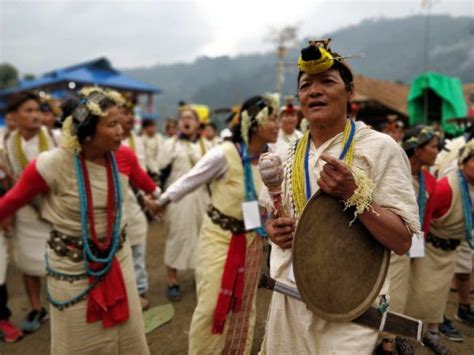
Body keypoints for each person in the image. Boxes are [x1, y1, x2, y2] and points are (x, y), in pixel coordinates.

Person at [260, 39, 419, 354]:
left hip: (352, 306)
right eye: (306, 85)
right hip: (291, 298)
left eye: (327, 82)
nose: (314, 90)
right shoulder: (285, 154)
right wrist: (273, 230)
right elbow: (272, 216)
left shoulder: (380, 148)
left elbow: (403, 241)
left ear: (350, 93)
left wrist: (353, 194)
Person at [0, 87, 160, 354]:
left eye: (120, 123)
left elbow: (148, 185)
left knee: (128, 338)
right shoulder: (51, 164)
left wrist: (157, 199)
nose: (121, 131)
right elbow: (9, 203)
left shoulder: (123, 156)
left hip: (117, 260)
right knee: (80, 342)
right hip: (72, 267)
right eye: (112, 125)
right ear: (86, 130)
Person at [156, 95, 279, 354]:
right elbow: (191, 179)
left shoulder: (273, 158)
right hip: (219, 236)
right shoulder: (225, 153)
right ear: (254, 124)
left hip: (252, 240)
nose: (278, 124)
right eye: (273, 118)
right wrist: (161, 201)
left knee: (245, 306)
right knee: (212, 303)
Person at [404, 140, 474, 355]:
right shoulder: (445, 186)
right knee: (416, 295)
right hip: (429, 249)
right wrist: (414, 251)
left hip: (451, 251)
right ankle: (403, 335)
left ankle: (432, 333)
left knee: (439, 296)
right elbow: (422, 216)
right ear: (464, 162)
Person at [378, 127, 439, 354]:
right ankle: (386, 341)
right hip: (390, 238)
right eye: (432, 146)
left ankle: (397, 336)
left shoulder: (428, 180)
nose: (436, 152)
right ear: (417, 149)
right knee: (391, 289)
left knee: (407, 292)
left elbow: (429, 214)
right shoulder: (394, 173)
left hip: (415, 241)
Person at [3, 92, 58, 333]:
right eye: (28, 111)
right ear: (13, 116)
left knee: (59, 262)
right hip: (25, 213)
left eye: (37, 110)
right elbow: (9, 181)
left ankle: (61, 307)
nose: (35, 115)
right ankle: (38, 308)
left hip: (54, 210)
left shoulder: (55, 137)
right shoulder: (8, 142)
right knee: (28, 264)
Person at [160, 107, 210, 301]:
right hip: (178, 201)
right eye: (182, 118)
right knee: (176, 237)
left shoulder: (207, 145)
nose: (186, 121)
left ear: (197, 123)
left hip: (202, 198)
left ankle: (201, 276)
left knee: (202, 236)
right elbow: (161, 171)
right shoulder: (170, 145)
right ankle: (172, 280)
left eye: (190, 118)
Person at [119, 100, 151, 309]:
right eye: (124, 113)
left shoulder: (136, 141)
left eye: (132, 113)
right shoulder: (101, 144)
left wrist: (148, 198)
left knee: (137, 250)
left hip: (135, 204)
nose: (130, 117)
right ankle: (123, 295)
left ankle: (139, 291)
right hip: (116, 207)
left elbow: (141, 175)